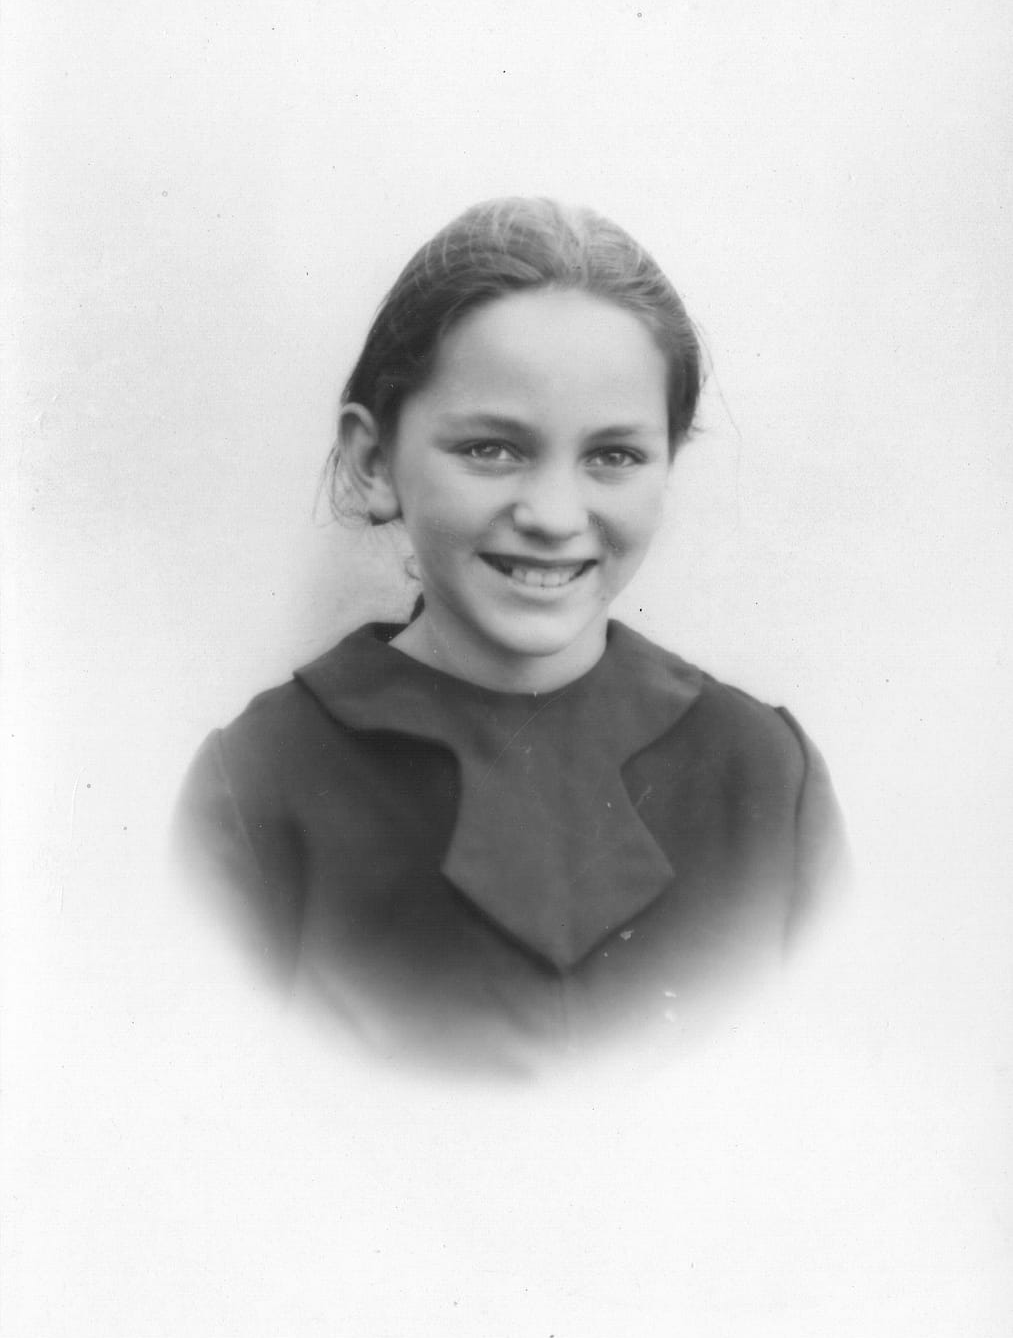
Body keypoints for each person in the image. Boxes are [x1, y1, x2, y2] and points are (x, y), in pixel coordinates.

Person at [175, 196, 848, 1072]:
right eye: (492, 449)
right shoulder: (258, 785)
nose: (554, 515)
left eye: (613, 455)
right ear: (374, 461)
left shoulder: (761, 772)